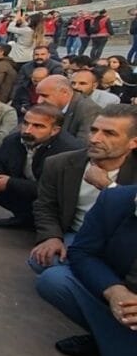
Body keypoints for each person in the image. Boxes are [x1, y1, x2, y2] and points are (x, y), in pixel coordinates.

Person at [35, 185, 137, 356]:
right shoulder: (116, 200)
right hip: (122, 297)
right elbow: (83, 251)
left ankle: (106, 340)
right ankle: (110, 337)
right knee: (55, 280)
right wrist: (116, 291)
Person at [30, 105, 137, 274]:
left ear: (134, 142)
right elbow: (45, 206)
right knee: (43, 260)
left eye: (109, 133)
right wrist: (52, 237)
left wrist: (107, 186)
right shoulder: (59, 163)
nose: (95, 139)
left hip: (123, 242)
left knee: (55, 279)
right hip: (77, 235)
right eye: (93, 130)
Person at [0, 105, 84, 229]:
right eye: (25, 123)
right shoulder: (14, 140)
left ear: (55, 130)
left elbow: (58, 190)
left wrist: (10, 183)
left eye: (38, 126)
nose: (28, 130)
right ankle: (25, 219)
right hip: (27, 185)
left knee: (7, 184)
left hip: (56, 199)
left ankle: (49, 227)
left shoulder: (69, 151)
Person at [35, 75, 102, 143]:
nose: (39, 101)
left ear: (65, 92)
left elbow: (82, 145)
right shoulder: (48, 108)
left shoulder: (88, 110)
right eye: (38, 95)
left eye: (44, 95)